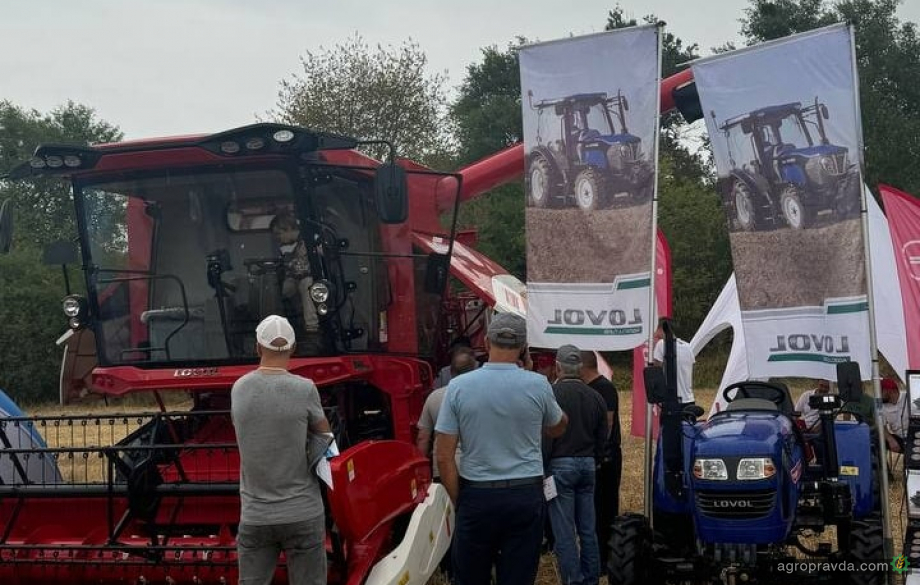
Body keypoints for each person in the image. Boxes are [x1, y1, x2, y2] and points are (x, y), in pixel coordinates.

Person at [435, 312, 568, 585]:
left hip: (477, 494)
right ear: (523, 348)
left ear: (486, 341)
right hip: (524, 494)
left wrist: (460, 500)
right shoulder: (538, 384)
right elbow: (558, 427)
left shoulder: (458, 387)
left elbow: (444, 457)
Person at [231, 315, 332, 585]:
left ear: (257, 348)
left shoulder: (239, 389)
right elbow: (325, 435)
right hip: (302, 512)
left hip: (255, 515)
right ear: (294, 348)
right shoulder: (305, 389)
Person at [544, 345, 607, 585]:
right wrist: (596, 460)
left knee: (564, 533)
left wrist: (544, 466)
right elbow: (604, 435)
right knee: (588, 529)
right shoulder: (596, 396)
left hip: (560, 466)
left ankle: (573, 580)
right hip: (588, 465)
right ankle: (591, 578)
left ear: (557, 366)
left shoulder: (550, 394)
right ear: (580, 367)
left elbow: (546, 436)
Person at [580, 350, 621, 568]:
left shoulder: (603, 388)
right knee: (596, 508)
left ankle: (605, 558)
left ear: (581, 366)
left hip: (607, 457)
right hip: (599, 455)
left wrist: (598, 452)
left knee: (605, 508)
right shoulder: (591, 388)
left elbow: (608, 423)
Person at [417, 347, 478, 479]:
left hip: (442, 470)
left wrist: (421, 472)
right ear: (474, 369)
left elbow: (423, 437)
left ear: (450, 371)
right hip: (476, 470)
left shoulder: (434, 397)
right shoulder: (484, 396)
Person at [270, 211, 319, 334]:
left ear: (288, 229)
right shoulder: (284, 247)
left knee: (307, 285)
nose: (277, 238)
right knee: (278, 289)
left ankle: (312, 326)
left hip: (311, 277)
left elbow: (324, 252)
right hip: (292, 278)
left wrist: (314, 249)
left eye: (279, 234)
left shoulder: (310, 238)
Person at [652, 322, 695, 405]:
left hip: (672, 401)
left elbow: (656, 371)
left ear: (660, 329)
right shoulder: (688, 346)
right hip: (689, 400)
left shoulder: (661, 344)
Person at [880, 377, 908, 454]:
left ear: (888, 391)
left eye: (880, 392)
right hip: (899, 439)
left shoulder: (908, 398)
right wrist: (890, 439)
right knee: (877, 439)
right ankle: (882, 465)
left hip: (915, 436)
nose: (878, 396)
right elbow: (881, 427)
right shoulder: (881, 406)